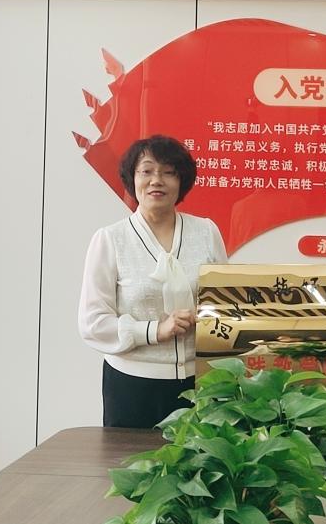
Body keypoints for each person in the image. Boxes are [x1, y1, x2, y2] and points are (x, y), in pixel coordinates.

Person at [79, 134, 227, 428]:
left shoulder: (206, 232)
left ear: (181, 181)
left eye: (168, 172)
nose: (156, 180)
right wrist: (154, 330)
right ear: (132, 178)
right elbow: (92, 323)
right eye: (146, 171)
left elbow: (226, 304)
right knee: (132, 458)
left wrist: (205, 316)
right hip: (132, 386)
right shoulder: (111, 239)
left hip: (200, 383)